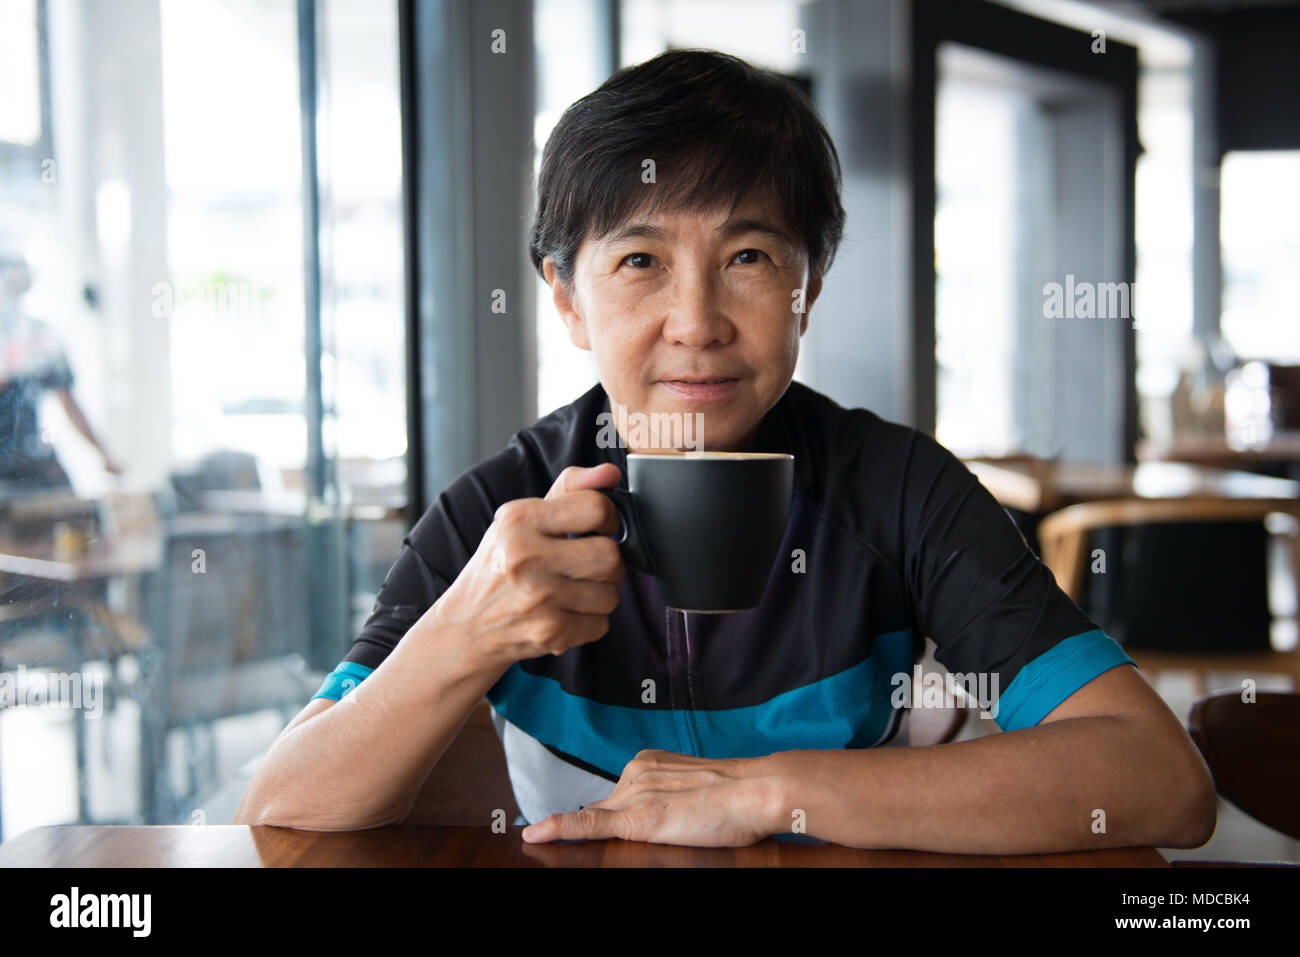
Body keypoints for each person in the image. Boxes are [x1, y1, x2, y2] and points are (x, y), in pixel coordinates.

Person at [234, 50, 1216, 852]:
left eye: (749, 258)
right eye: (639, 262)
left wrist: (762, 794)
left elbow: (1158, 780)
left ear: (809, 288)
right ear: (567, 299)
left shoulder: (899, 488)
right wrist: (468, 632)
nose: (696, 322)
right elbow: (283, 803)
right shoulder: (504, 513)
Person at [0, 257, 122, 493]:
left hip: (31, 461)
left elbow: (69, 404)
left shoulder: (39, 337)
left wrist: (105, 453)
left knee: (68, 515)